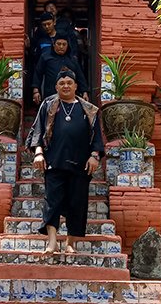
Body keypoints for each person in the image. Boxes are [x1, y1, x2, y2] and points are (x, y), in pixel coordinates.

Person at [25, 69, 105, 254]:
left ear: (76, 86)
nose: (66, 86)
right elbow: (37, 130)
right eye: (62, 83)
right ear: (56, 86)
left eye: (69, 82)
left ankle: (71, 242)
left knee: (77, 203)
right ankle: (52, 242)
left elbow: (97, 137)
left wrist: (94, 156)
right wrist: (38, 153)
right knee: (52, 201)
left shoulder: (89, 109)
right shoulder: (49, 104)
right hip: (54, 162)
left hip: (81, 164)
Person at [32, 35, 89, 104]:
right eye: (59, 44)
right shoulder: (46, 57)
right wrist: (36, 91)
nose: (61, 47)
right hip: (51, 95)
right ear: (53, 45)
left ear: (68, 45)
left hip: (69, 96)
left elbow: (80, 76)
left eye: (64, 44)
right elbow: (38, 73)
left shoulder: (72, 59)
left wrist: (84, 92)